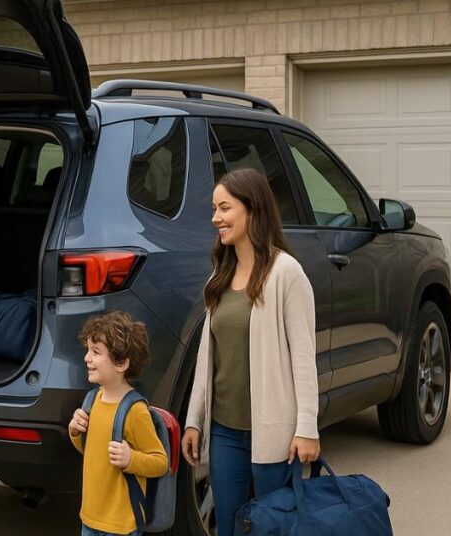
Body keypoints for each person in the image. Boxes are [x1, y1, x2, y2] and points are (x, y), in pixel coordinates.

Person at [180, 168, 320, 536]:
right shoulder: (219, 277)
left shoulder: (286, 273)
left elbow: (304, 357)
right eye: (214, 209)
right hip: (225, 431)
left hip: (275, 432)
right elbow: (207, 360)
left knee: (271, 527)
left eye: (225, 208)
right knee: (228, 525)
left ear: (253, 209)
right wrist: (195, 420)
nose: (216, 218)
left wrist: (307, 427)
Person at [68, 310, 168, 536]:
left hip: (121, 525)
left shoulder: (134, 411)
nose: (87, 358)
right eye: (88, 350)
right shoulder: (92, 400)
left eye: (95, 352)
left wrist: (131, 459)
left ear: (121, 362)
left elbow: (160, 462)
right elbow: (91, 452)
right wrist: (76, 432)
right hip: (90, 519)